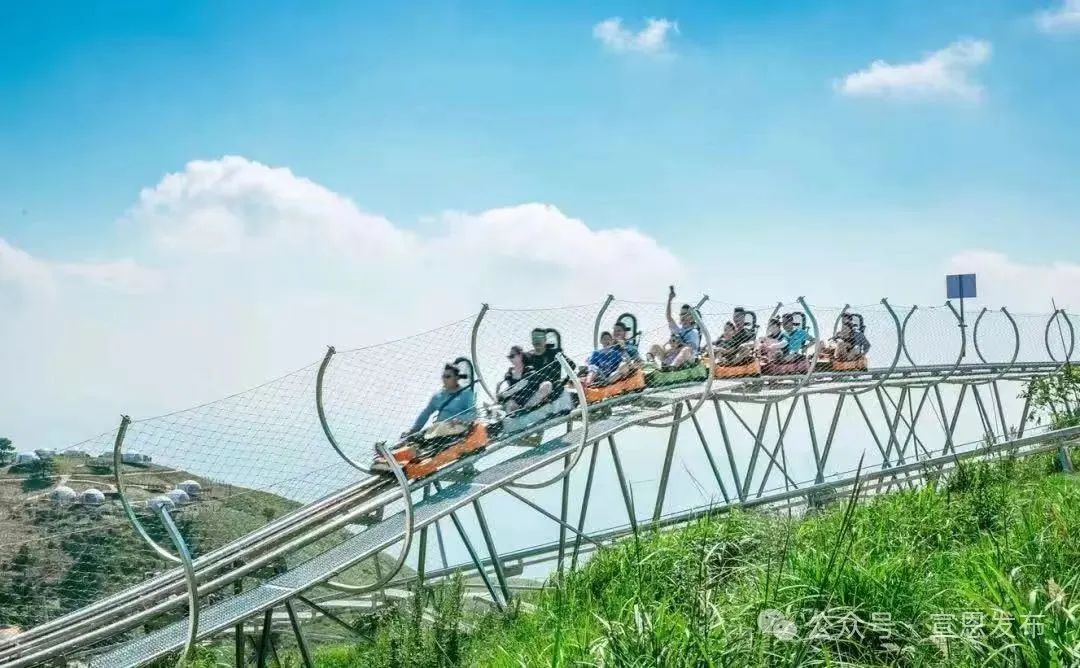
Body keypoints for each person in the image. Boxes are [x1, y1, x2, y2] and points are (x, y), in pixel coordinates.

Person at [403, 363, 477, 441]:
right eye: (443, 376)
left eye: (448, 377)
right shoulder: (438, 396)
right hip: (439, 428)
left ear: (456, 378)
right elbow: (426, 413)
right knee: (415, 437)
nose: (444, 379)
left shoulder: (466, 394)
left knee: (437, 431)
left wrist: (459, 419)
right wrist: (414, 430)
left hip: (457, 428)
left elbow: (473, 413)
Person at [648, 286, 700, 370]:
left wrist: (678, 344)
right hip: (671, 356)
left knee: (686, 349)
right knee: (655, 346)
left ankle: (672, 368)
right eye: (681, 314)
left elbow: (692, 349)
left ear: (692, 317)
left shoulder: (693, 332)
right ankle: (649, 364)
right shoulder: (677, 329)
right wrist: (670, 299)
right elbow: (669, 317)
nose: (683, 316)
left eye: (685, 314)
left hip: (686, 359)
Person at [498, 346, 542, 413]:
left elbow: (524, 383)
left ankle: (526, 409)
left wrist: (505, 394)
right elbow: (509, 387)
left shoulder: (528, 369)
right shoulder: (509, 373)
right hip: (516, 401)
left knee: (547, 385)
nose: (510, 359)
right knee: (509, 403)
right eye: (509, 357)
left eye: (512, 356)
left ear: (520, 355)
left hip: (529, 397)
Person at [521, 328, 559, 406]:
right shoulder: (527, 357)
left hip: (551, 390)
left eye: (539, 338)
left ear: (545, 340)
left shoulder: (553, 354)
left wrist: (563, 381)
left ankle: (528, 407)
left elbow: (571, 365)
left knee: (547, 385)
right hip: (530, 391)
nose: (537, 341)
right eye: (534, 338)